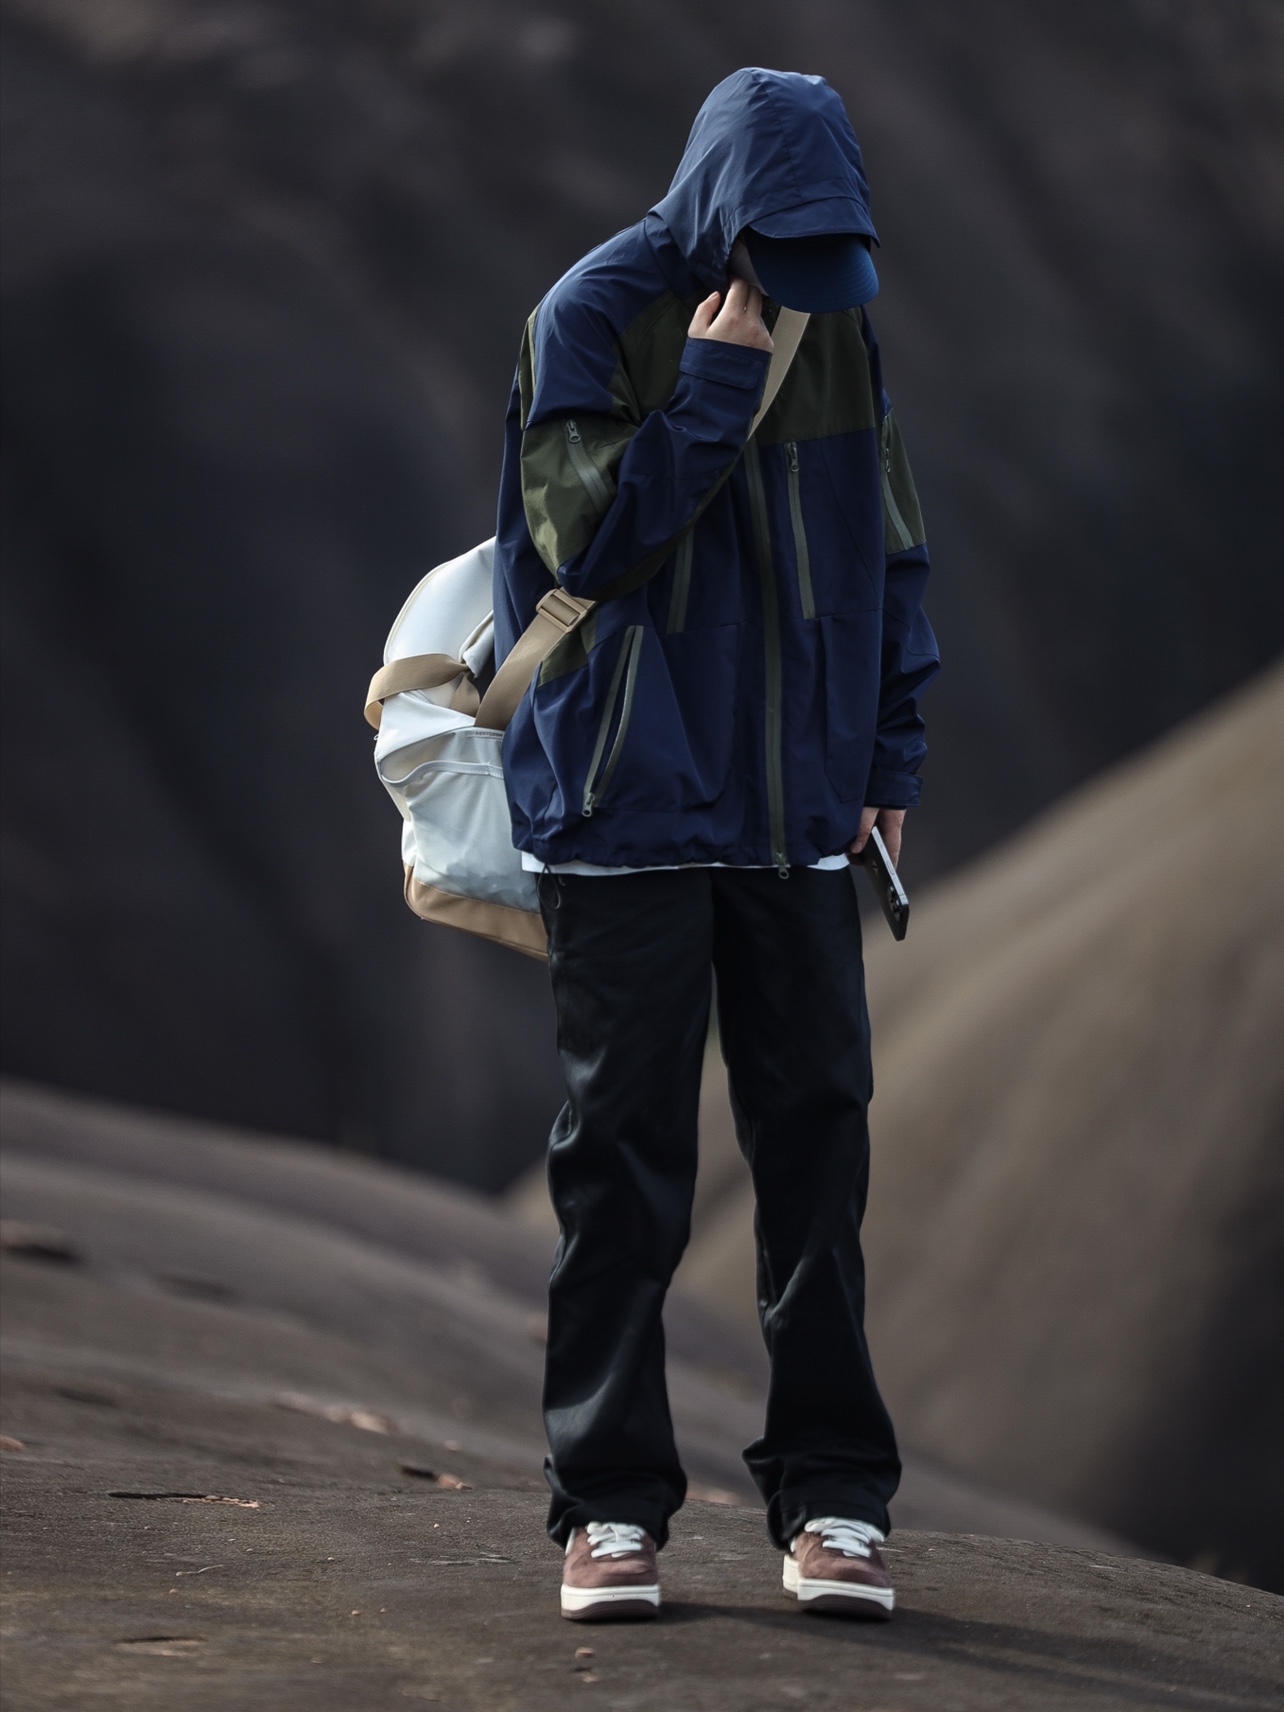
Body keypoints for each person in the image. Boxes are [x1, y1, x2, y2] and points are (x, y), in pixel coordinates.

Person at [492, 67, 939, 1622]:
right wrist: (710, 396)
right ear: (719, 211)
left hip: (799, 818)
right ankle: (609, 1513)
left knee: (817, 1153)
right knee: (623, 1168)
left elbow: (892, 551)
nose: (799, 287)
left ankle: (837, 1507)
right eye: (780, 254)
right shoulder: (589, 316)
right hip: (625, 811)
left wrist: (887, 754)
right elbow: (581, 544)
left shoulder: (839, 327)